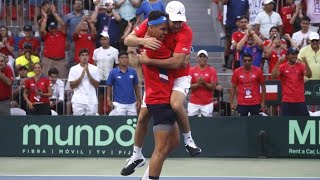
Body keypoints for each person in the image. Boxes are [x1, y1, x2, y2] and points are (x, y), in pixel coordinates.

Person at [122, 1, 201, 176]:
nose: (177, 25)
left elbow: (178, 62)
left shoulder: (185, 31)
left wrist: (148, 61)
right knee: (143, 117)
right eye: (174, 21)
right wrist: (144, 40)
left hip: (179, 76)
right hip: (159, 80)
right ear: (167, 17)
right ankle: (137, 155)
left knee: (175, 105)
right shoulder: (156, 22)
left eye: (181, 21)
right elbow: (128, 40)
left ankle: (189, 140)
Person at [126, 10, 180, 180]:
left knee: (174, 142)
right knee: (161, 148)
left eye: (166, 28)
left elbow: (130, 41)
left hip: (160, 97)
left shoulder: (150, 42)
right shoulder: (155, 47)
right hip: (160, 100)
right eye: (163, 29)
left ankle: (138, 157)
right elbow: (179, 61)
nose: (166, 32)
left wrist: (139, 43)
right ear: (152, 27)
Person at [271, 47, 312, 116]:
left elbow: (309, 75)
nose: (295, 56)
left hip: (300, 100)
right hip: (287, 101)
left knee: (305, 121)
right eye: (293, 54)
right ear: (287, 55)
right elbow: (273, 76)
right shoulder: (283, 66)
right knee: (285, 123)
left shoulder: (301, 66)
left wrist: (306, 63)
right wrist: (278, 62)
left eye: (296, 54)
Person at [106, 51, 141, 116]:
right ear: (118, 60)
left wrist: (139, 99)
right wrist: (108, 99)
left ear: (128, 59)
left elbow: (136, 86)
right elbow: (109, 86)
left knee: (133, 124)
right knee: (119, 123)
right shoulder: (113, 72)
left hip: (132, 103)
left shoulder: (133, 72)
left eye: (126, 58)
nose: (124, 59)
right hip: (119, 104)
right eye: (122, 58)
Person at [93, 31, 119, 115]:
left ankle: (111, 116)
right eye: (101, 39)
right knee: (99, 98)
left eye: (105, 39)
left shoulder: (115, 51)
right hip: (99, 78)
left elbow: (117, 65)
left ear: (108, 40)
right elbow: (94, 65)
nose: (103, 41)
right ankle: (100, 116)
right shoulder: (96, 51)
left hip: (110, 78)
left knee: (110, 98)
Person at [68, 48, 100, 116]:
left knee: (91, 123)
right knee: (78, 122)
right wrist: (81, 76)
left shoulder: (95, 69)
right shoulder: (73, 69)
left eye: (86, 55)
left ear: (89, 57)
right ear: (79, 57)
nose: (84, 57)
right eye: (82, 55)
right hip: (78, 100)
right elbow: (72, 86)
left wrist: (88, 74)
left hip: (91, 100)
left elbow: (96, 85)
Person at [188, 50, 218, 117]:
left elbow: (213, 87)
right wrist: (198, 84)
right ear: (197, 58)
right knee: (191, 122)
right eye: (200, 56)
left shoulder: (212, 70)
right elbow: (188, 86)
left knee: (207, 123)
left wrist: (204, 83)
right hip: (193, 103)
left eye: (204, 57)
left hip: (207, 103)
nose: (202, 58)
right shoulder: (191, 70)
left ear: (207, 58)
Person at [40, 7, 68, 78]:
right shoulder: (47, 35)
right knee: (46, 78)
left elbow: (63, 24)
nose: (53, 29)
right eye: (51, 28)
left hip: (61, 60)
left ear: (57, 27)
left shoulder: (61, 34)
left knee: (62, 79)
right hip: (48, 60)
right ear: (49, 28)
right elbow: (42, 30)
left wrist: (55, 14)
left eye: (54, 27)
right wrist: (45, 17)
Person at [222, 0, 249, 69]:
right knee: (229, 43)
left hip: (242, 23)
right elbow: (223, 2)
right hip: (230, 23)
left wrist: (247, 21)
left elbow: (247, 10)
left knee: (242, 42)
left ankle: (237, 61)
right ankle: (226, 62)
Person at [64, 0, 85, 67]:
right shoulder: (68, 16)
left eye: (80, 4)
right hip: (71, 41)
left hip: (83, 40)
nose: (79, 5)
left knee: (83, 57)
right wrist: (65, 40)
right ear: (73, 5)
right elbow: (64, 29)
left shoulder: (85, 16)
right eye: (77, 4)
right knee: (71, 59)